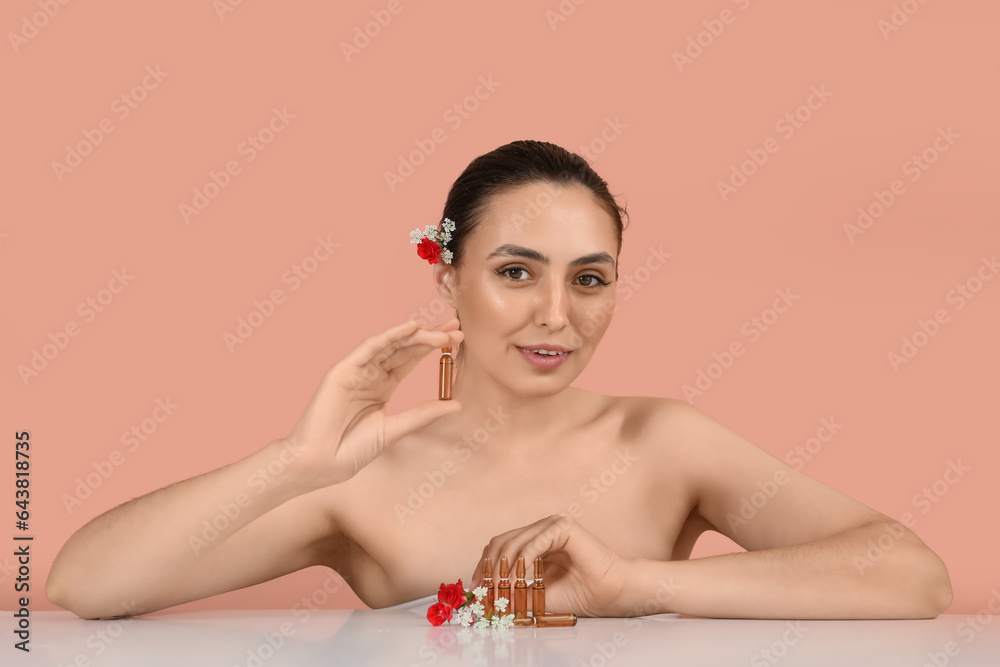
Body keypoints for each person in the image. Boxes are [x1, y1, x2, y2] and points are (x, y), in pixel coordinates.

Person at [47, 140, 952, 621]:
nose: (557, 314)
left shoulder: (663, 441)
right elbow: (85, 584)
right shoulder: (359, 477)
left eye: (589, 278)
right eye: (517, 271)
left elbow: (911, 578)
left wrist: (637, 586)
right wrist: (294, 460)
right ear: (448, 279)